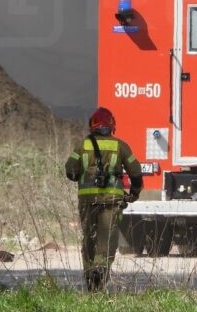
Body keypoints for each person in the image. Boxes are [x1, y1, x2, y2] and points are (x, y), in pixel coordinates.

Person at [65, 106, 143, 292]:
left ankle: (91, 278)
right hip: (112, 202)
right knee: (107, 239)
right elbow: (136, 172)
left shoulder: (83, 145)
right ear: (112, 126)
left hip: (87, 201)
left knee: (88, 240)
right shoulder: (120, 146)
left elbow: (70, 170)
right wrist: (134, 193)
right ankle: (100, 270)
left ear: (92, 126)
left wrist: (81, 175)